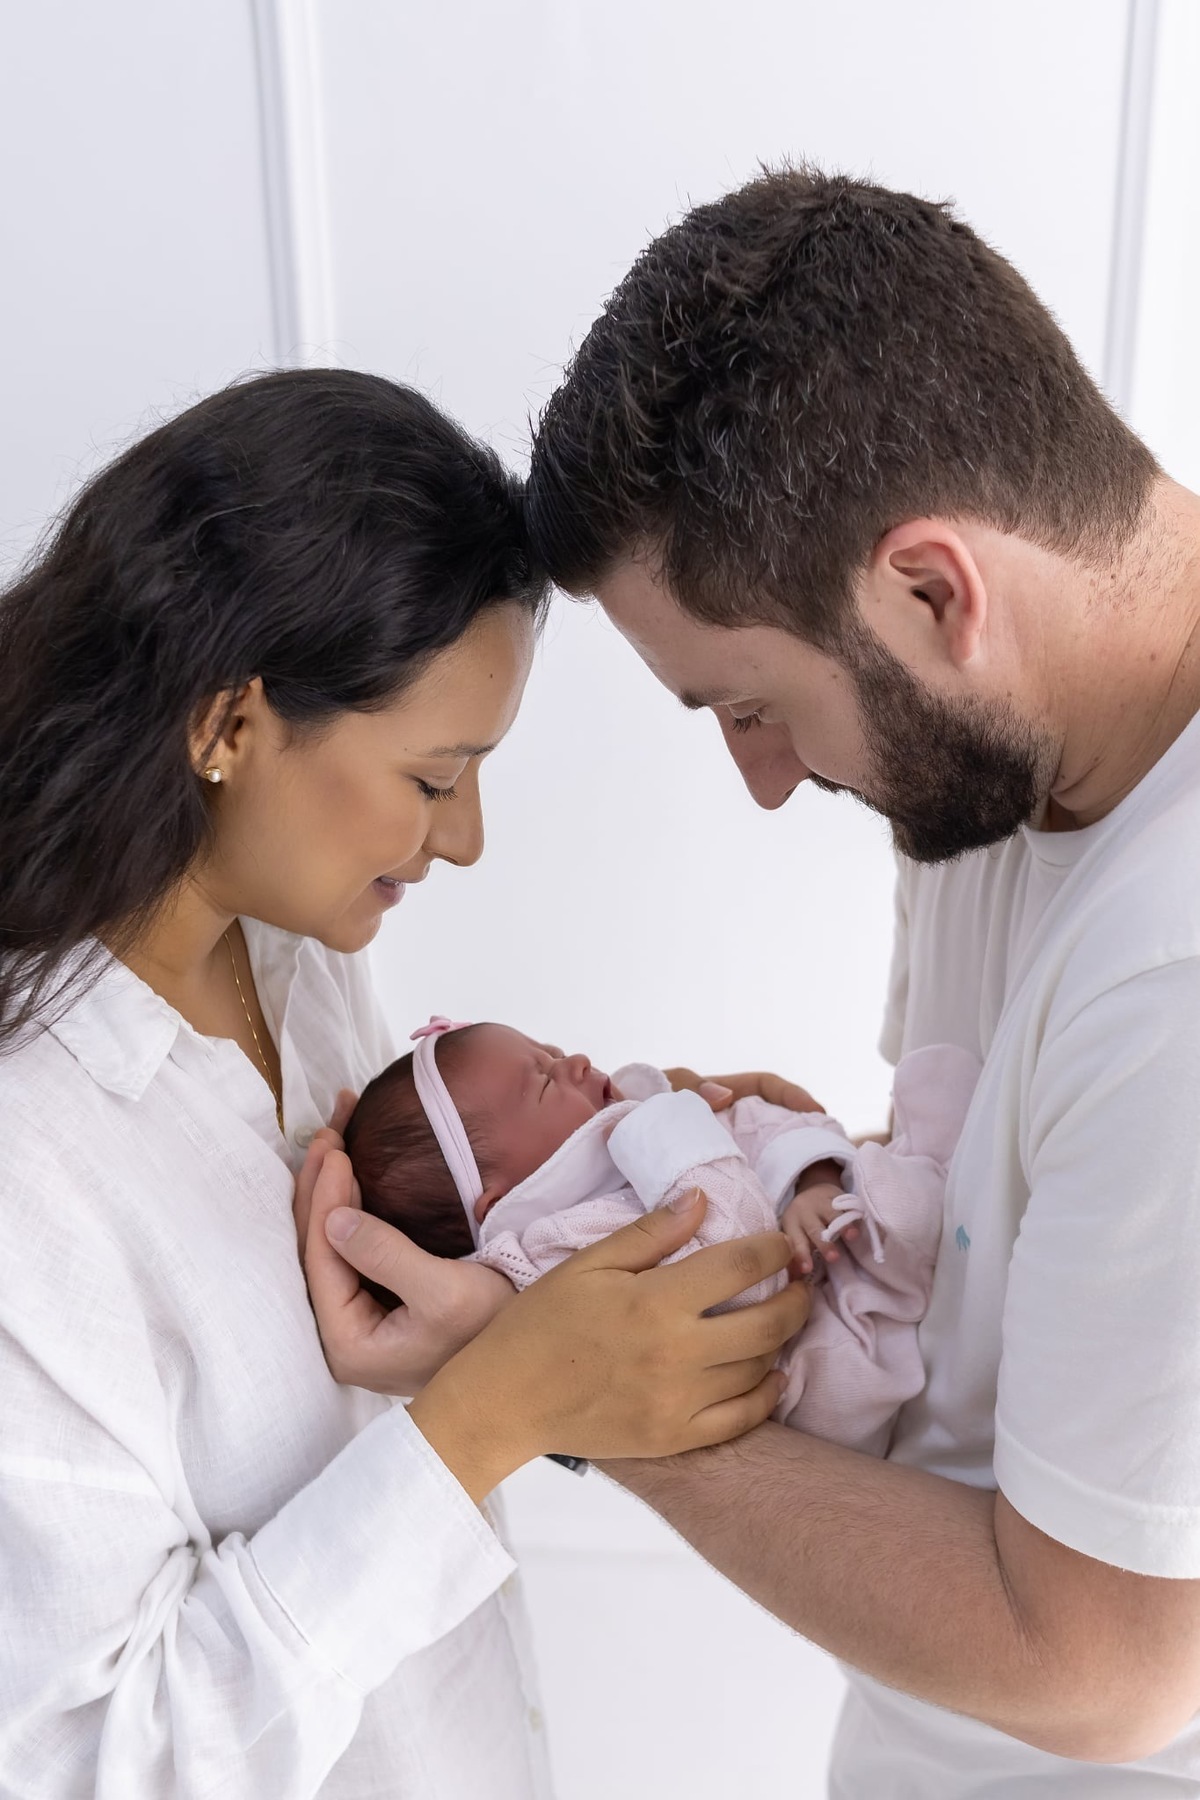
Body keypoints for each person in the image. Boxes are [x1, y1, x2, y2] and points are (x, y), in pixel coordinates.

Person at [0, 367, 812, 1799]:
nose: (468, 841)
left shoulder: (292, 960)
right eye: (436, 780)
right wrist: (484, 1420)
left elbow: (373, 1368)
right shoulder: (33, 1156)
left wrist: (567, 1238)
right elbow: (85, 1760)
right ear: (231, 727)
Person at [521, 167, 1200, 1791]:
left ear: (930, 590)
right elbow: (1013, 1216)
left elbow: (1106, 1669)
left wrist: (580, 1383)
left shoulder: (1177, 970)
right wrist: (817, 1176)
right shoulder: (986, 769)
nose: (763, 780)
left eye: (746, 704)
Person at [345, 1016, 978, 1455]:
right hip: (814, 1364)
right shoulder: (557, 1255)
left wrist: (812, 1177)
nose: (577, 1063)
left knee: (906, 1182)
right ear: (504, 1199)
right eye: (543, 1079)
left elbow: (761, 1121)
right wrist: (672, 1131)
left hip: (835, 1251)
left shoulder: (643, 1124)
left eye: (552, 1050)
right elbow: (734, 1272)